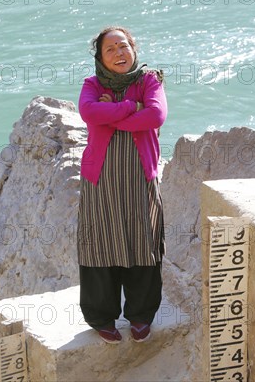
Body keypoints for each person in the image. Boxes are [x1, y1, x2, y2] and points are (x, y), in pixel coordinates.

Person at [76, 26, 167, 344]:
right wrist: (131, 107)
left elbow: (155, 116)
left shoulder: (149, 80)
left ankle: (141, 316)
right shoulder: (92, 85)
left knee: (143, 241)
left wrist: (111, 113)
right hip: (100, 180)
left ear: (134, 48)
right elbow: (88, 110)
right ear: (100, 57)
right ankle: (102, 317)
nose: (118, 52)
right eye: (110, 49)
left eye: (123, 46)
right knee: (99, 245)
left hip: (141, 178)